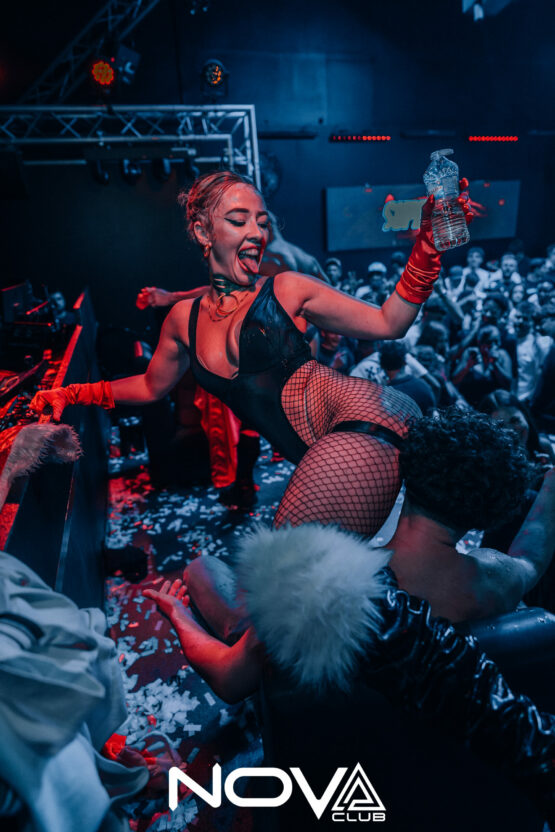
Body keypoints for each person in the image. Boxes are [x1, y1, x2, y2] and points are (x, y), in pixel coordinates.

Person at [30, 170, 472, 537]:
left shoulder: (286, 289)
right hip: (323, 453)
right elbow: (150, 386)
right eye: (239, 221)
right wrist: (71, 393)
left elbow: (388, 323)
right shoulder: (183, 320)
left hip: (366, 419)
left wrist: (427, 247)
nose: (257, 233)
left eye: (261, 222)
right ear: (203, 232)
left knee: (286, 572)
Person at [142, 520, 555, 830]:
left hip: (328, 775)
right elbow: (530, 559)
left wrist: (179, 617)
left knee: (202, 571)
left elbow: (229, 680)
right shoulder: (494, 584)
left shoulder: (329, 591)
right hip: (453, 789)